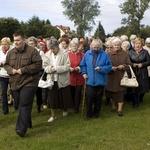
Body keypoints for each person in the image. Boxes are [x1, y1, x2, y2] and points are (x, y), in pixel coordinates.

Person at [4, 31, 42, 137]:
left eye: (18, 40)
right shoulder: (11, 52)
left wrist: (24, 70)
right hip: (15, 82)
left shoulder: (32, 51)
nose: (16, 42)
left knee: (24, 105)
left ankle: (20, 129)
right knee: (20, 104)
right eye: (14, 40)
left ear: (24, 40)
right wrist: (11, 70)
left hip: (29, 82)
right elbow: (6, 65)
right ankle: (27, 122)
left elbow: (38, 64)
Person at [80, 39, 112, 119]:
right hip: (89, 80)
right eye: (94, 47)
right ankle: (88, 114)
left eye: (98, 47)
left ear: (100, 47)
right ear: (91, 46)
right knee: (89, 97)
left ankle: (96, 113)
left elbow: (109, 66)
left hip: (100, 80)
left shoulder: (104, 55)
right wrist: (84, 73)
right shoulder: (87, 54)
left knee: (98, 98)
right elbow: (83, 64)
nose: (96, 49)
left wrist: (101, 68)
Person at [44, 38, 73, 122]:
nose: (52, 50)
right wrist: (50, 69)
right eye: (50, 48)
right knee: (52, 98)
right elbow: (44, 66)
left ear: (57, 46)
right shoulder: (47, 54)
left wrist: (56, 68)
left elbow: (67, 66)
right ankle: (53, 115)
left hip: (62, 79)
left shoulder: (64, 53)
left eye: (53, 48)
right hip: (52, 80)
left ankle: (65, 110)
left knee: (64, 96)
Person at [106, 38, 131, 117]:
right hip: (111, 76)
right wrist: (110, 67)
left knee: (120, 93)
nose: (117, 46)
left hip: (121, 76)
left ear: (120, 45)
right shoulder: (108, 54)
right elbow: (105, 65)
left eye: (118, 45)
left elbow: (129, 65)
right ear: (113, 46)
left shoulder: (125, 54)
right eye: (115, 45)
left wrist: (123, 66)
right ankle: (113, 106)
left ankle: (120, 109)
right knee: (111, 92)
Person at [27, 36, 49, 112]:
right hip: (29, 73)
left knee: (38, 90)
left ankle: (39, 105)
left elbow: (44, 63)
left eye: (32, 44)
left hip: (38, 73)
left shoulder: (40, 52)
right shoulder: (26, 53)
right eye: (29, 44)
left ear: (35, 44)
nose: (30, 45)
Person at [128, 38, 150, 108]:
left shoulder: (145, 52)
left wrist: (142, 64)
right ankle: (135, 102)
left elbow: (149, 61)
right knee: (134, 87)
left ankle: (140, 98)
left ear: (142, 44)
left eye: (139, 43)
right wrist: (132, 64)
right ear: (134, 44)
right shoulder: (130, 52)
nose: (137, 45)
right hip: (133, 71)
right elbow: (128, 62)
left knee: (143, 87)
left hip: (143, 72)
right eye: (136, 43)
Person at [68, 38, 85, 113]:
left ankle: (76, 107)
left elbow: (84, 64)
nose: (74, 47)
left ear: (78, 46)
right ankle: (72, 105)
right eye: (73, 46)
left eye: (75, 46)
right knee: (71, 92)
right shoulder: (67, 55)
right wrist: (69, 68)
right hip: (70, 77)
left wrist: (79, 68)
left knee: (78, 92)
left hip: (79, 77)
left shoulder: (82, 55)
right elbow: (64, 64)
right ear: (70, 46)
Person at [0, 37, 11, 114]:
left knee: (14, 91)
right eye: (2, 44)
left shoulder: (12, 51)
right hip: (2, 75)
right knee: (3, 93)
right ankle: (5, 111)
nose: (4, 46)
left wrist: (4, 64)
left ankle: (17, 106)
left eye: (5, 44)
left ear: (9, 44)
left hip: (11, 75)